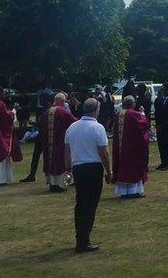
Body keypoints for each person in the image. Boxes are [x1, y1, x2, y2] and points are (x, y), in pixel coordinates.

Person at [64, 98, 112, 254]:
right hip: (93, 168)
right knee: (90, 205)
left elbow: (67, 150)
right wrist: (109, 171)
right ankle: (84, 241)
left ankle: (80, 236)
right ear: (96, 110)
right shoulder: (98, 128)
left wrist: (68, 169)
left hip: (78, 168)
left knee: (81, 203)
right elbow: (103, 152)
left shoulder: (72, 127)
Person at [38, 93, 77, 192]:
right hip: (60, 142)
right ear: (63, 101)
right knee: (60, 162)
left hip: (48, 143)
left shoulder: (46, 112)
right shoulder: (62, 111)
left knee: (51, 161)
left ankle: (52, 183)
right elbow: (74, 122)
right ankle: (61, 184)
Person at [112, 95, 150, 198]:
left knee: (122, 166)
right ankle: (134, 191)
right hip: (132, 147)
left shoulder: (118, 114)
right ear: (133, 104)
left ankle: (123, 192)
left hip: (121, 147)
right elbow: (144, 124)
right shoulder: (134, 114)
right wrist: (142, 113)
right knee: (133, 167)